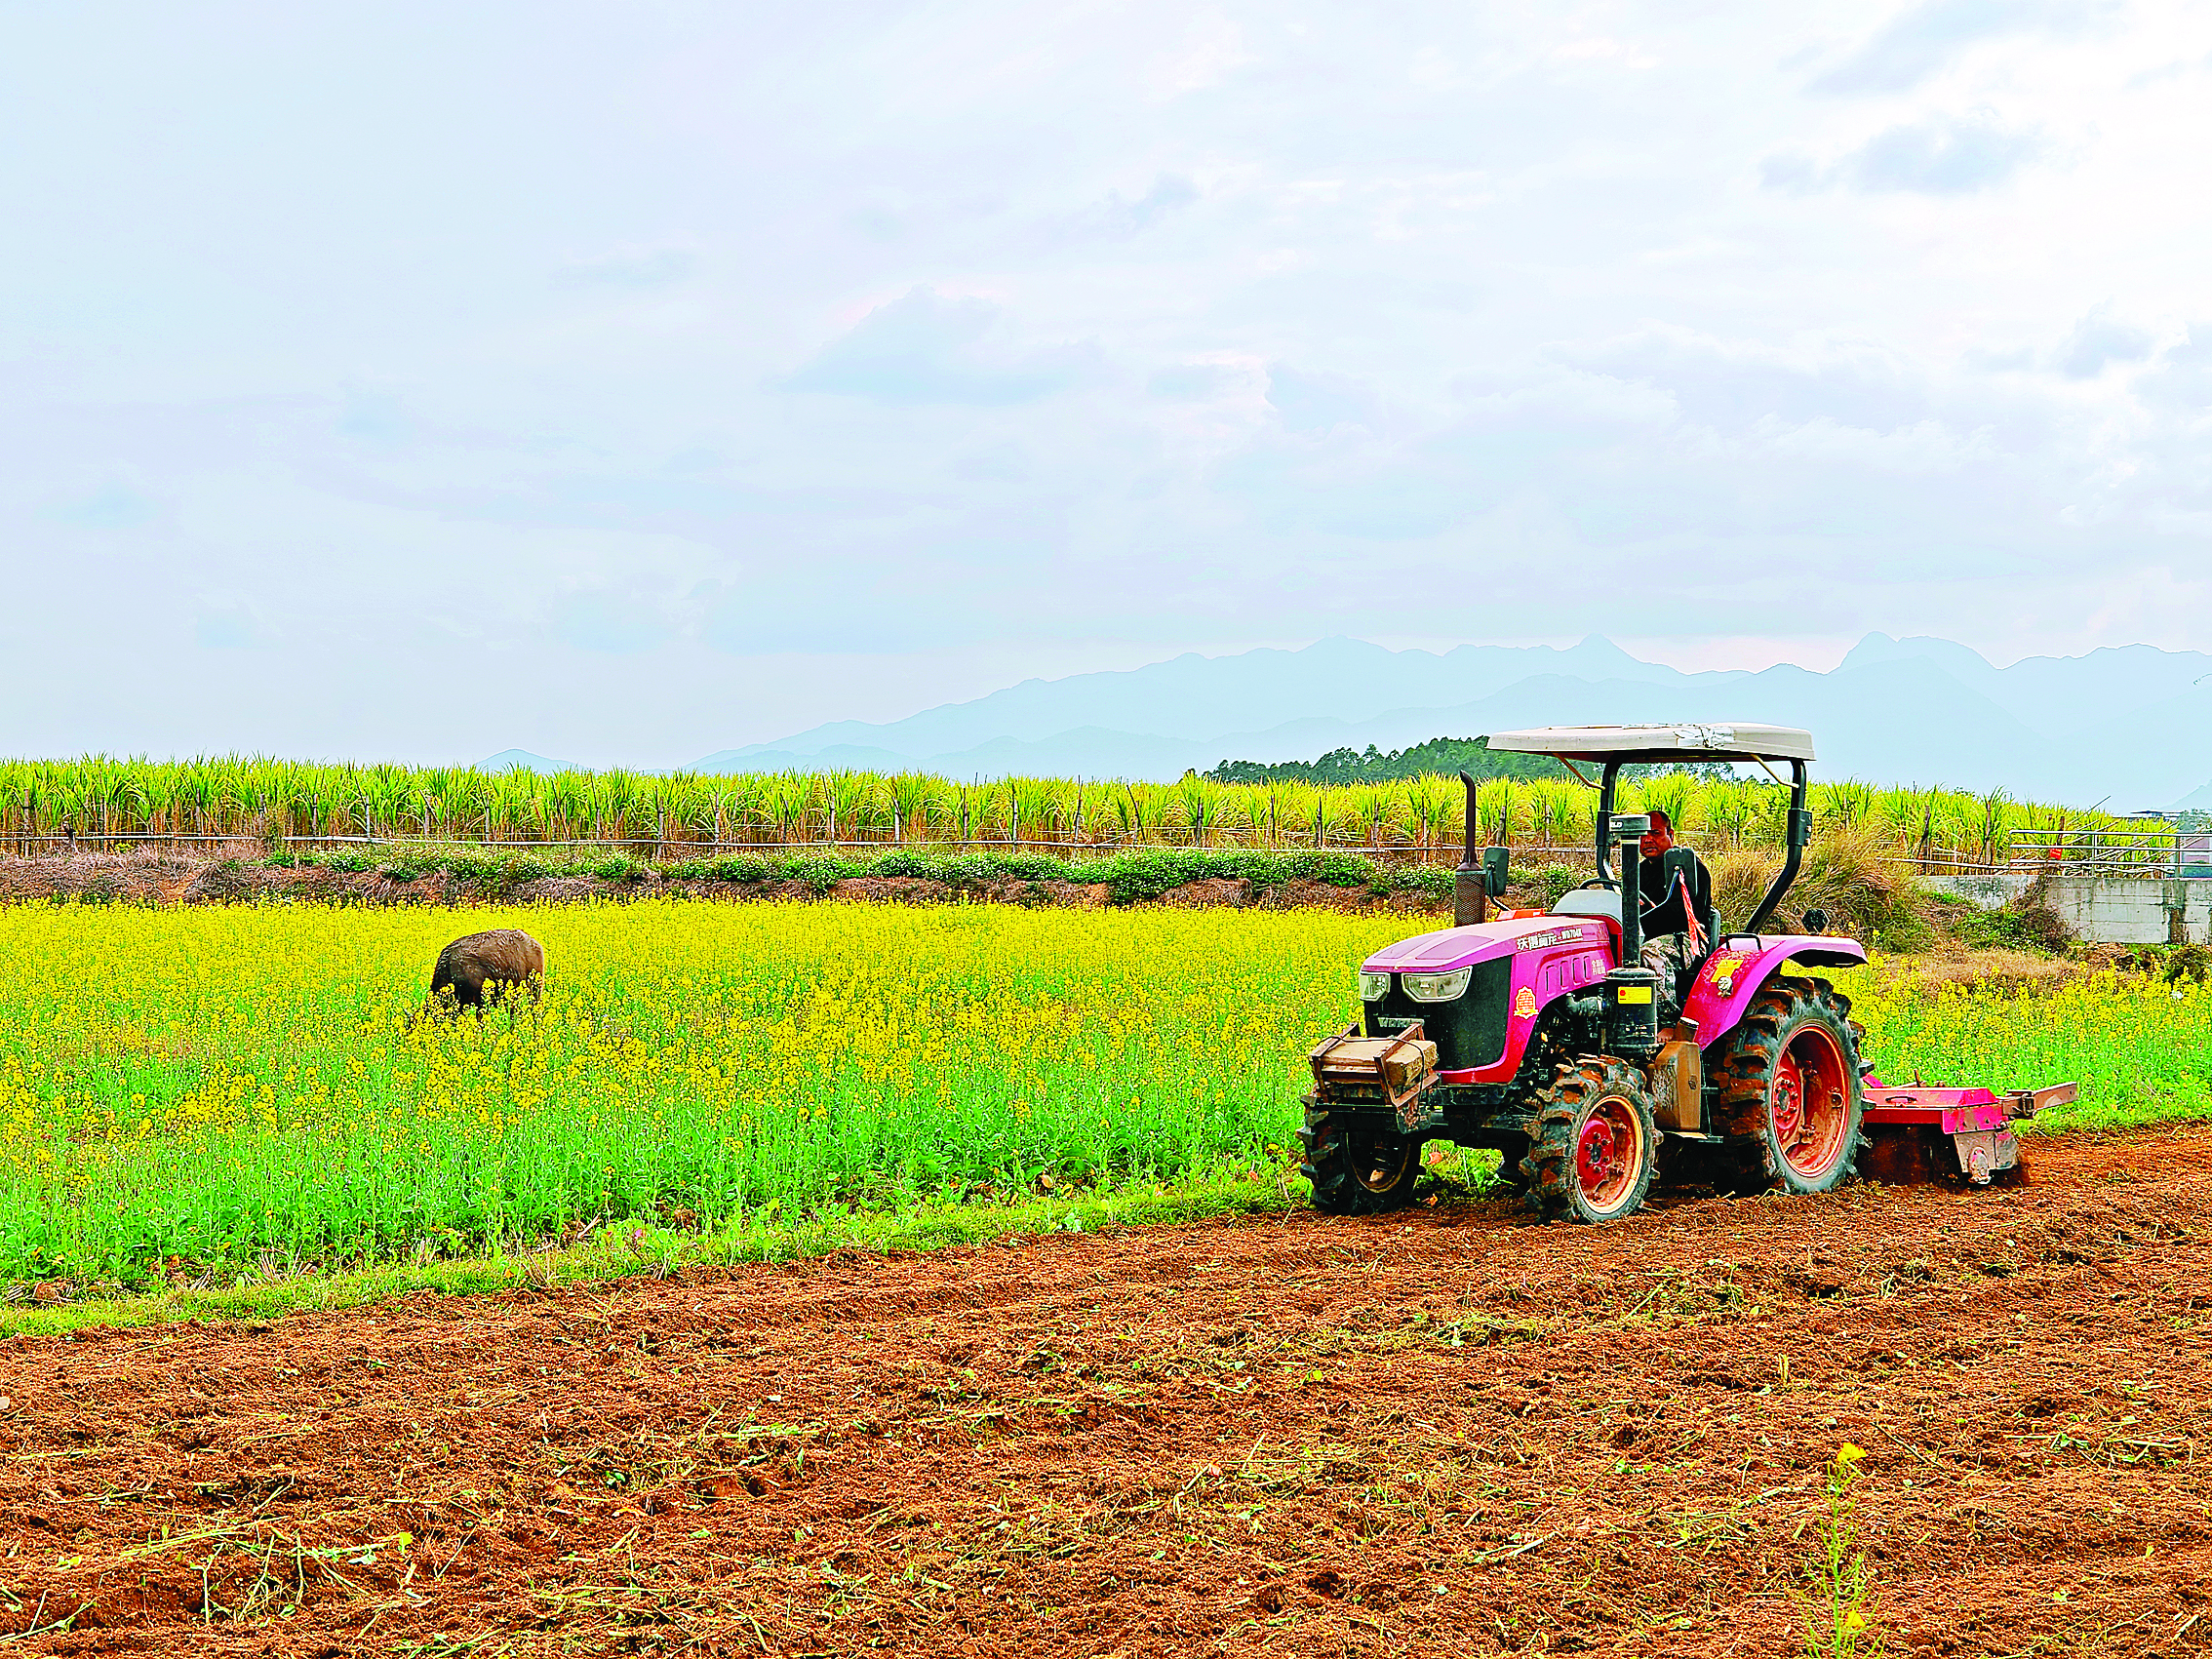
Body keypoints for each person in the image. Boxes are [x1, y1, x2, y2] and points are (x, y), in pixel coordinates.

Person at [1634, 809, 1712, 1003]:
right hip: (1643, 935)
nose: (1648, 839)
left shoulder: (1690, 868)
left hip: (1685, 939)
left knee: (1649, 952)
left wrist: (1647, 910)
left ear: (1670, 834)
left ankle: (1664, 1015)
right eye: (1642, 835)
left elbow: (1690, 915)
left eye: (1655, 833)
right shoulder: (1637, 871)